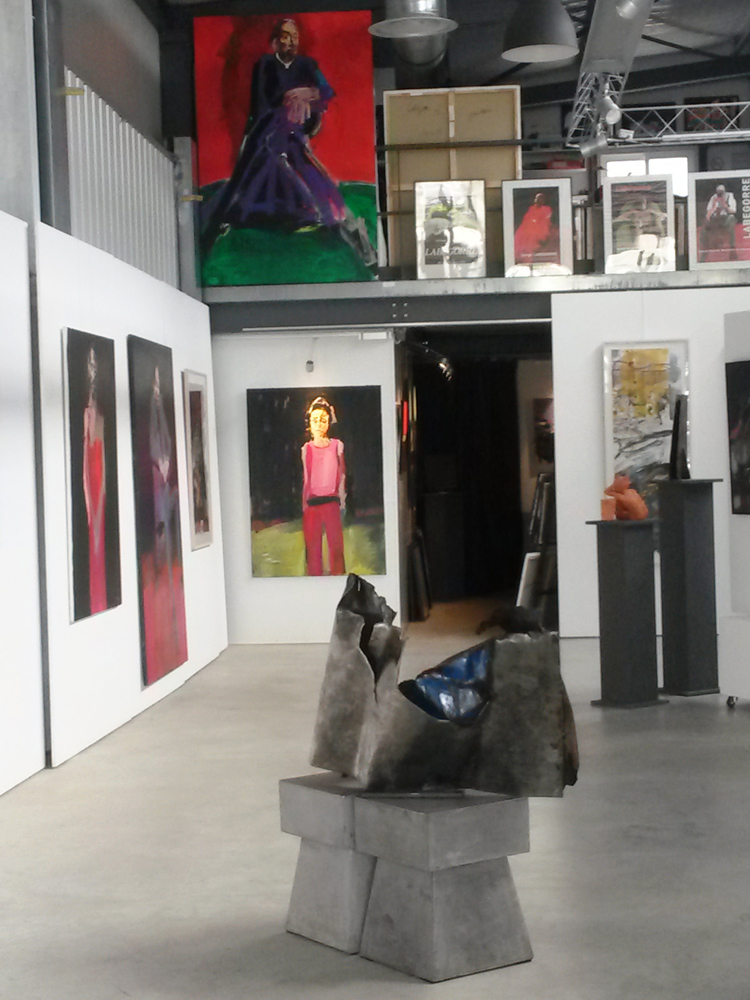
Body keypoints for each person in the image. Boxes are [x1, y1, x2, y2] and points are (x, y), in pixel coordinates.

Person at [201, 18, 374, 267]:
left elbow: (326, 92)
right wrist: (288, 101)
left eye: (294, 36)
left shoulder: (307, 65)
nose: (290, 41)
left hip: (292, 135)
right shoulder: (265, 65)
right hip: (265, 133)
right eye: (285, 36)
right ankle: (210, 234)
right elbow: (262, 105)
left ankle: (349, 232)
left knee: (308, 170)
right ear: (275, 42)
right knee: (243, 179)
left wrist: (306, 94)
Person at [301, 396, 346, 576]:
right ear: (309, 423)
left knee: (336, 547)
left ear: (329, 421)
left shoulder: (337, 446)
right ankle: (315, 581)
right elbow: (306, 478)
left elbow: (341, 474)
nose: (319, 424)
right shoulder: (307, 448)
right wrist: (304, 504)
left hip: (332, 502)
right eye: (315, 420)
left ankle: (337, 579)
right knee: (313, 549)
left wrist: (342, 500)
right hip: (312, 504)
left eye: (323, 420)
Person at [82, 346, 107, 614]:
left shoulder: (97, 415)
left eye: (94, 366)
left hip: (99, 479)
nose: (92, 371)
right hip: (92, 479)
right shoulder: (89, 414)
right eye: (89, 366)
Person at [514, 191, 555, 263]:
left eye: (541, 198)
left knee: (532, 237)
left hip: (540, 229)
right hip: (528, 228)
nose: (538, 200)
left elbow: (545, 220)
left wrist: (535, 222)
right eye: (537, 198)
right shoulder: (531, 208)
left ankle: (529, 259)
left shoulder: (546, 209)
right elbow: (527, 219)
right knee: (520, 235)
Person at [702, 183, 737, 258]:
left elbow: (733, 211)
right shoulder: (713, 197)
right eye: (718, 192)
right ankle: (705, 252)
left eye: (721, 192)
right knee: (704, 228)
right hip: (715, 219)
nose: (720, 194)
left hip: (725, 218)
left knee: (731, 218)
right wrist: (714, 208)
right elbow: (708, 214)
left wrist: (725, 206)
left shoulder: (729, 196)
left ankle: (732, 249)